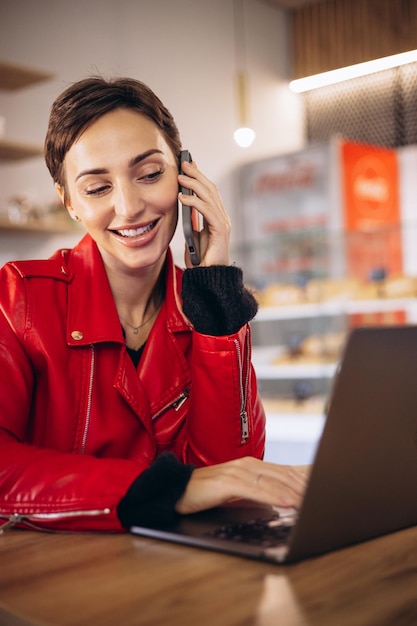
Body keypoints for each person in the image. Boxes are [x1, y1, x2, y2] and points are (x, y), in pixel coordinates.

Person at [0, 77, 307, 533]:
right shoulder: (17, 298)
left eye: (149, 175)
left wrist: (215, 288)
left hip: (179, 577)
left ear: (186, 177)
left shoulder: (203, 306)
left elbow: (232, 472)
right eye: (97, 188)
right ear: (68, 202)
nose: (129, 207)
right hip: (55, 581)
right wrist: (172, 490)